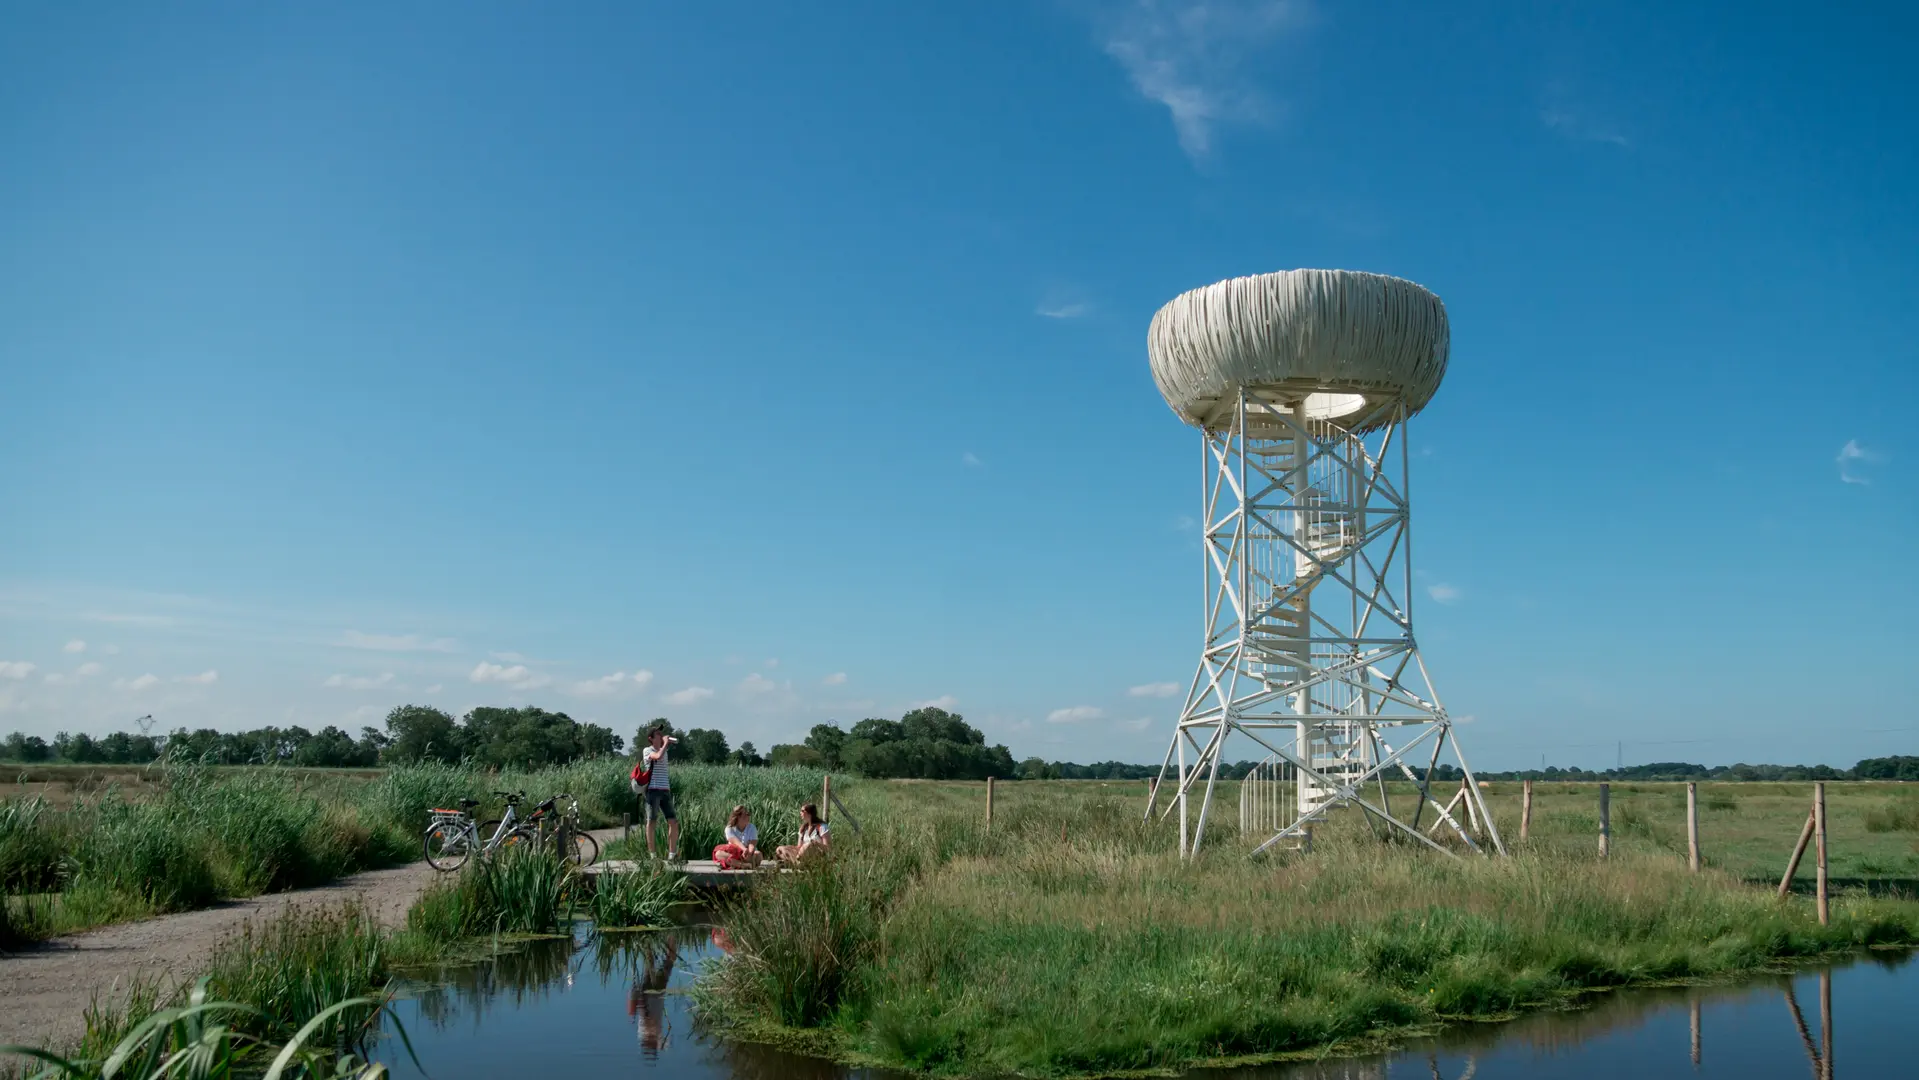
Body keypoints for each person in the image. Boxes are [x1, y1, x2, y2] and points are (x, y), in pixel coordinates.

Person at [635, 724, 680, 861]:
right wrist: (666, 743)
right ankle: (653, 856)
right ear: (651, 738)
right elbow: (658, 756)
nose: (661, 736)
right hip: (653, 791)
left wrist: (666, 743)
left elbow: (662, 752)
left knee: (673, 821)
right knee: (652, 822)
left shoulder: (664, 749)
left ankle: (672, 855)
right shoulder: (647, 751)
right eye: (658, 735)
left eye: (662, 735)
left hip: (665, 790)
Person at [713, 804, 762, 869]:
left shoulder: (752, 827)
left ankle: (737, 864)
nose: (748, 816)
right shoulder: (729, 828)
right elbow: (736, 842)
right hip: (734, 852)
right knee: (718, 854)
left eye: (748, 814)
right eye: (745, 814)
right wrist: (744, 849)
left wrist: (749, 852)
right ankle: (744, 865)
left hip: (748, 854)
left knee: (758, 854)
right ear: (738, 817)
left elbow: (752, 843)